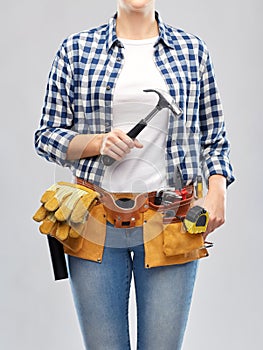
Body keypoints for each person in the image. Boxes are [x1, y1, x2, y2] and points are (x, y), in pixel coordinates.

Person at [34, 1, 234, 349]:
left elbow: (214, 138)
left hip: (171, 220)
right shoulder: (76, 50)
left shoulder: (192, 51)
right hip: (93, 221)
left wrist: (217, 188)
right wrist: (96, 142)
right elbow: (46, 136)